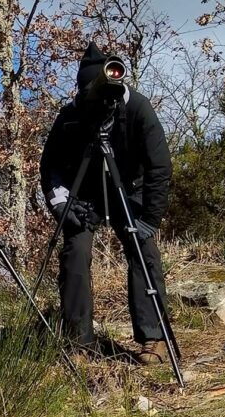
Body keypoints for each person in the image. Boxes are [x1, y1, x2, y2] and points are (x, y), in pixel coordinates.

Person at [39, 42, 174, 366]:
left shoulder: (138, 108)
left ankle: (153, 338)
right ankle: (79, 342)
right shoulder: (71, 115)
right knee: (76, 250)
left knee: (144, 250)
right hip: (84, 195)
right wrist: (62, 206)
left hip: (128, 188)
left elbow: (160, 165)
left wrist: (150, 220)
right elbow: (51, 165)